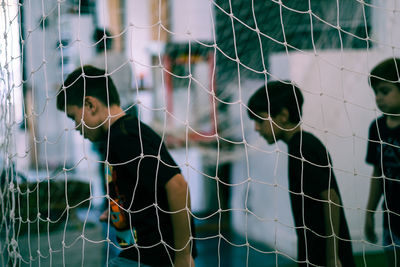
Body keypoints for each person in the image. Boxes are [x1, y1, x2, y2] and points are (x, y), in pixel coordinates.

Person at [56, 65, 196, 267]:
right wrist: (120, 211)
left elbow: (178, 186)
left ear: (90, 105)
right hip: (139, 253)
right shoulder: (115, 138)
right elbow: (143, 192)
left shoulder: (125, 136)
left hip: (155, 256)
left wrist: (183, 255)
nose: (76, 127)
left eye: (73, 117)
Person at [247, 80, 355, 267]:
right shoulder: (297, 146)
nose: (256, 128)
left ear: (283, 115)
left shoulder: (304, 146)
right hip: (312, 249)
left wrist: (332, 256)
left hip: (326, 253)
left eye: (260, 120)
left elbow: (331, 199)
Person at [364, 58, 400, 267]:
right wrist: (369, 212)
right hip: (391, 215)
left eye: (384, 91)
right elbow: (378, 173)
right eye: (375, 92)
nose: (378, 98)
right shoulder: (376, 127)